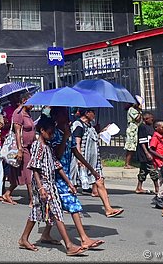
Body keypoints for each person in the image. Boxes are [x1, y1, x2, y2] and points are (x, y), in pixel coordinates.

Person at [17, 115, 88, 256]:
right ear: (42, 130)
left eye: (53, 132)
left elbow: (57, 165)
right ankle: (69, 246)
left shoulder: (48, 146)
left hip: (51, 183)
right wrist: (41, 187)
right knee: (56, 211)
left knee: (37, 212)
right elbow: (35, 168)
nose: (52, 135)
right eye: (50, 132)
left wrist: (69, 183)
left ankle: (24, 238)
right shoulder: (38, 146)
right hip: (43, 185)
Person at [39, 107, 103, 250]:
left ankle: (45, 234)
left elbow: (76, 152)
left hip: (67, 174)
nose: (66, 117)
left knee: (56, 207)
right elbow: (57, 156)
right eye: (62, 114)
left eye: (67, 114)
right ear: (56, 117)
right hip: (56, 176)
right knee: (73, 204)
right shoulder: (53, 134)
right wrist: (65, 137)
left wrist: (91, 169)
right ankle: (84, 238)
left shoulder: (69, 133)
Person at [71, 108, 123, 217]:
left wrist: (101, 130)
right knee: (74, 184)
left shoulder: (90, 126)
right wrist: (79, 159)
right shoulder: (78, 124)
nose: (94, 114)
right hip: (83, 160)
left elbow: (92, 138)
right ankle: (70, 206)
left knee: (100, 181)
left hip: (94, 161)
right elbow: (77, 143)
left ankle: (108, 209)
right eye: (92, 112)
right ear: (86, 113)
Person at [3, 93, 34, 204]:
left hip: (29, 148)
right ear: (25, 100)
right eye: (32, 101)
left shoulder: (27, 113)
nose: (34, 105)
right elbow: (17, 132)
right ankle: (32, 200)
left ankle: (7, 194)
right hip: (23, 148)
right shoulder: (18, 113)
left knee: (19, 174)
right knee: (29, 173)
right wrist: (20, 149)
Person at [134, 111, 159, 195]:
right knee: (152, 170)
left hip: (149, 152)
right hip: (145, 152)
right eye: (151, 120)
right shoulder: (142, 127)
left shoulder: (149, 127)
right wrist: (147, 153)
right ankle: (157, 188)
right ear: (146, 119)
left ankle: (139, 187)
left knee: (143, 170)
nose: (152, 121)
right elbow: (142, 141)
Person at [150, 120, 163, 209]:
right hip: (160, 162)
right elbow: (151, 149)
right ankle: (159, 197)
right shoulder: (155, 138)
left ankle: (160, 198)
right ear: (156, 128)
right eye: (162, 127)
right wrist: (161, 157)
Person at [124, 97, 143, 169]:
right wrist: (140, 111)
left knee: (133, 146)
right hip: (132, 130)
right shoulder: (132, 110)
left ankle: (130, 162)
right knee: (130, 147)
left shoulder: (134, 110)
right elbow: (137, 119)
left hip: (135, 129)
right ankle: (127, 164)